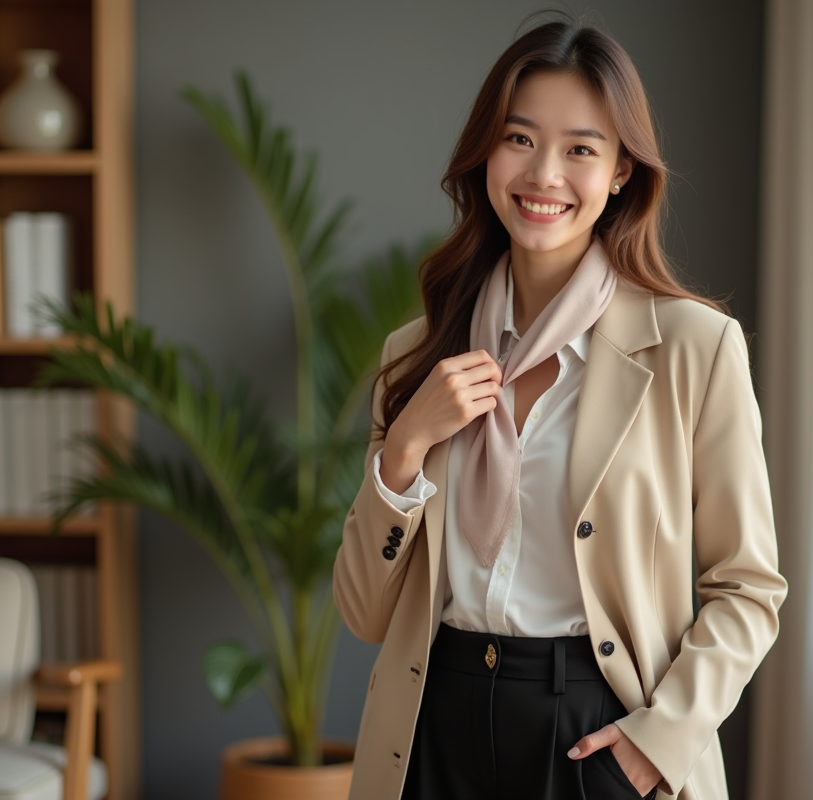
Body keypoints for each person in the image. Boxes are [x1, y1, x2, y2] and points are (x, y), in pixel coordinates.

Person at [333, 14, 786, 800]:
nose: (544, 174)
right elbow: (366, 614)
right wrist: (402, 453)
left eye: (581, 148)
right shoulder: (417, 356)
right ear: (484, 155)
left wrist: (653, 747)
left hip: (597, 733)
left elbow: (747, 588)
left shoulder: (694, 349)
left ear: (619, 173)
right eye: (519, 139)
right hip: (431, 728)